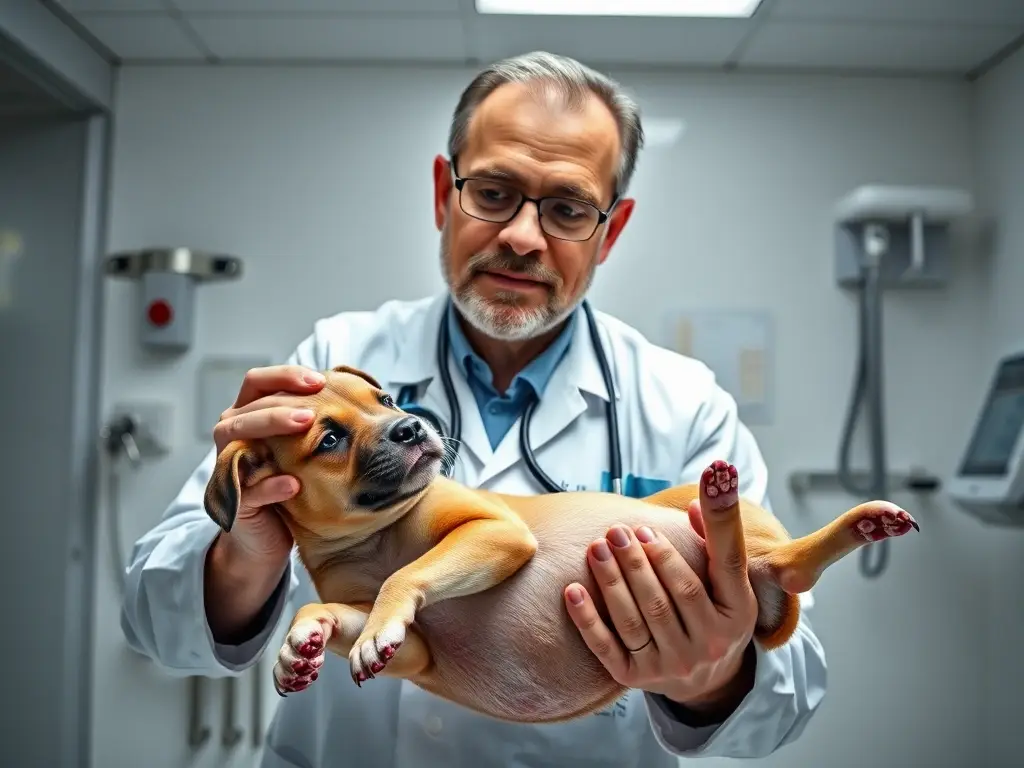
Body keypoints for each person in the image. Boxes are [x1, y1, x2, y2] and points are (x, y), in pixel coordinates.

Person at [121, 51, 827, 767]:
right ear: (442, 193)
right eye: (492, 192)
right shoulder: (332, 365)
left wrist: (712, 675)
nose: (522, 236)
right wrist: (248, 551)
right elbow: (152, 621)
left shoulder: (683, 406)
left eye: (567, 209)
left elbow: (789, 694)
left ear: (609, 232)